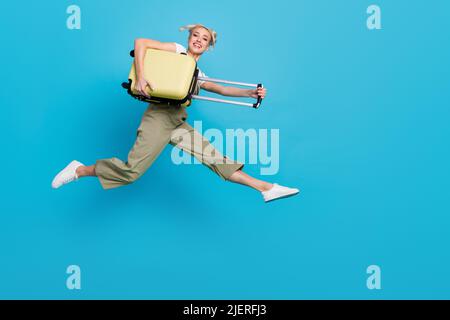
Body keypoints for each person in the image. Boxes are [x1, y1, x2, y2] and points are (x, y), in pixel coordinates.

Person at [51, 23, 299, 202]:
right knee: (130, 172)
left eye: (205, 39)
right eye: (196, 35)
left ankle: (266, 188)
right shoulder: (177, 50)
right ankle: (79, 170)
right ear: (189, 37)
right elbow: (140, 43)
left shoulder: (196, 73)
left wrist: (249, 94)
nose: (199, 40)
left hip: (177, 120)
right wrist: (142, 76)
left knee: (216, 159)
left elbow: (220, 89)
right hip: (158, 117)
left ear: (209, 47)